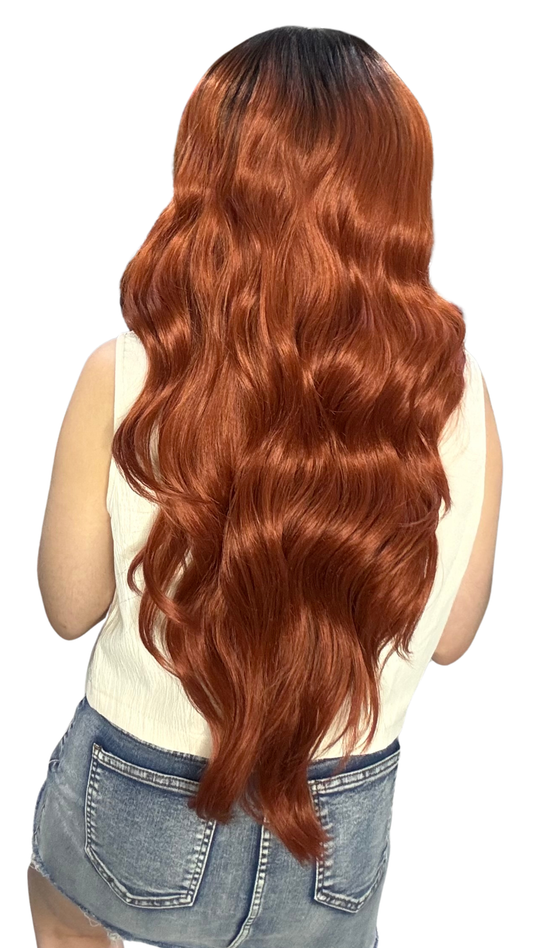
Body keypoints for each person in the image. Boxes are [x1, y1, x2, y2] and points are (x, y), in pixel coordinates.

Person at [27, 25, 503, 948]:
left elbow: (68, 605)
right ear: (396, 196)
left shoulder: (123, 375)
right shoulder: (454, 395)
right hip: (338, 827)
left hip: (139, 790)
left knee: (60, 895)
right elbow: (450, 636)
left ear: (209, 179)